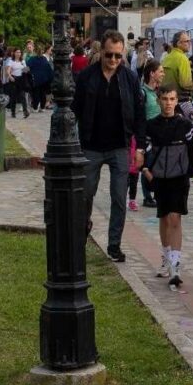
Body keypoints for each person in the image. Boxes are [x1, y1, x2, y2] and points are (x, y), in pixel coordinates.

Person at [72, 31, 146, 263]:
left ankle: (114, 244)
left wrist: (140, 147)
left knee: (119, 197)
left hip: (119, 146)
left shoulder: (129, 78)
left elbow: (139, 114)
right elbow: (75, 110)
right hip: (91, 145)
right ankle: (81, 233)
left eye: (118, 55)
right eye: (109, 55)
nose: (113, 60)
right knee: (85, 194)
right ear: (101, 52)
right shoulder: (87, 77)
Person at [141, 85, 193, 286]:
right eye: (165, 99)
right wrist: (147, 172)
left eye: (172, 99)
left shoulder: (185, 125)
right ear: (158, 101)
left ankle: (175, 264)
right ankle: (166, 257)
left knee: (175, 218)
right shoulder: (151, 126)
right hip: (159, 178)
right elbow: (144, 150)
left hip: (179, 178)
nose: (168, 103)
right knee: (164, 217)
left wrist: (191, 171)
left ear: (176, 101)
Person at [134, 60, 163, 209]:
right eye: (161, 71)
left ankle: (157, 193)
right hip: (147, 136)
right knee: (148, 165)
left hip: (159, 134)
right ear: (152, 73)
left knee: (157, 164)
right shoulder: (143, 92)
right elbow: (139, 116)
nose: (163, 74)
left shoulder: (157, 92)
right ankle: (147, 196)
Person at [162, 31, 193, 98]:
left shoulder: (167, 57)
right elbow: (186, 84)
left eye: (189, 41)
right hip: (181, 98)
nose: (189, 43)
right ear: (179, 43)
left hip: (166, 97)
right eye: (187, 41)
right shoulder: (182, 58)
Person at [3, 48, 29, 118]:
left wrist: (27, 69)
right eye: (17, 52)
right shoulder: (11, 61)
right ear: (14, 53)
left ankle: (25, 111)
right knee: (13, 97)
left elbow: (25, 70)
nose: (18, 54)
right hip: (13, 79)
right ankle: (13, 112)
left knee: (22, 96)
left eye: (19, 52)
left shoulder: (22, 61)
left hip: (21, 79)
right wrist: (10, 76)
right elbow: (7, 71)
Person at [27, 43, 53, 111]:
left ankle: (35, 107)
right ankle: (42, 107)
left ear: (35, 51)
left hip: (35, 79)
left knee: (36, 93)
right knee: (42, 93)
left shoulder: (32, 59)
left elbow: (27, 67)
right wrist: (50, 78)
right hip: (44, 79)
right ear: (42, 51)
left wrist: (22, 70)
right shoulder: (44, 59)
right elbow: (48, 69)